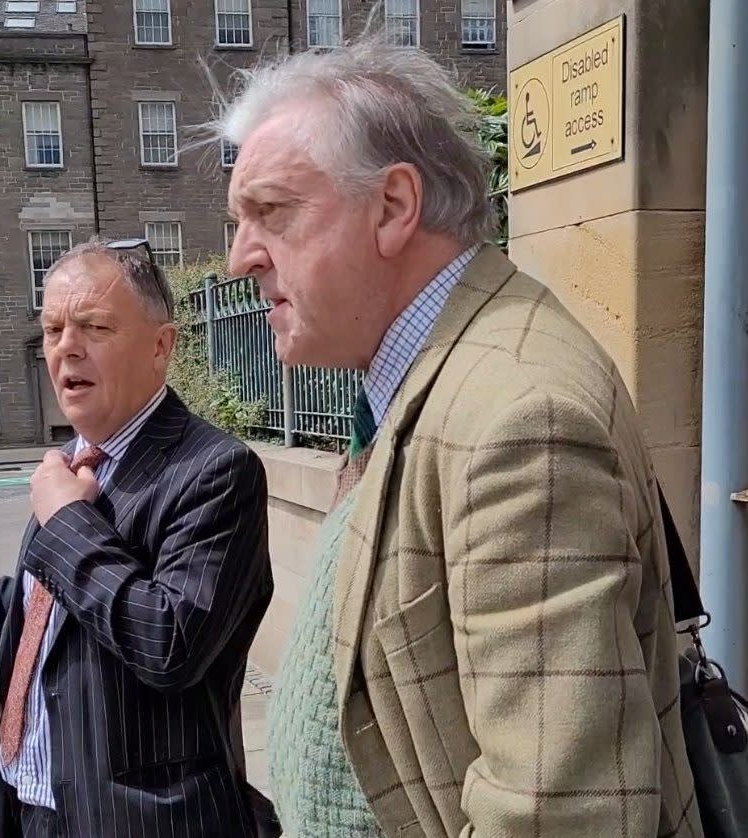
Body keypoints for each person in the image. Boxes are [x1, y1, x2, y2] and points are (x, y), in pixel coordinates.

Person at [216, 32, 703, 838]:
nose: (240, 258)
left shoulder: (518, 423)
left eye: (271, 211)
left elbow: (559, 819)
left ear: (394, 207)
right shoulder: (432, 373)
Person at [0, 239, 274, 837]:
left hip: (138, 822)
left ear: (162, 346)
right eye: (53, 328)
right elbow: (52, 611)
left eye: (95, 326)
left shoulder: (215, 470)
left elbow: (170, 645)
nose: (65, 348)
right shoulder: (71, 462)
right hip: (25, 805)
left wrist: (67, 524)